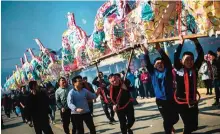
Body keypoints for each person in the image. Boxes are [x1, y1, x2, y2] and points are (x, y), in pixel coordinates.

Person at [141, 43, 179, 134]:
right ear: (154, 66)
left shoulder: (167, 71)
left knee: (175, 118)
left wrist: (159, 50)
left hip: (171, 98)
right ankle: (168, 131)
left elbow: (168, 62)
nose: (160, 64)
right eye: (157, 63)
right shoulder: (153, 73)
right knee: (166, 119)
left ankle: (169, 126)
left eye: (161, 63)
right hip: (160, 100)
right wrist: (146, 53)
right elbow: (147, 63)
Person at [174, 37, 204, 134]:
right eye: (186, 59)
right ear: (182, 61)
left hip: (193, 101)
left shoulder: (194, 69)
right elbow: (175, 55)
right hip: (182, 103)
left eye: (191, 59)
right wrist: (180, 44)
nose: (189, 61)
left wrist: (196, 41)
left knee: (194, 126)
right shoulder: (179, 69)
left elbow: (201, 55)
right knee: (188, 125)